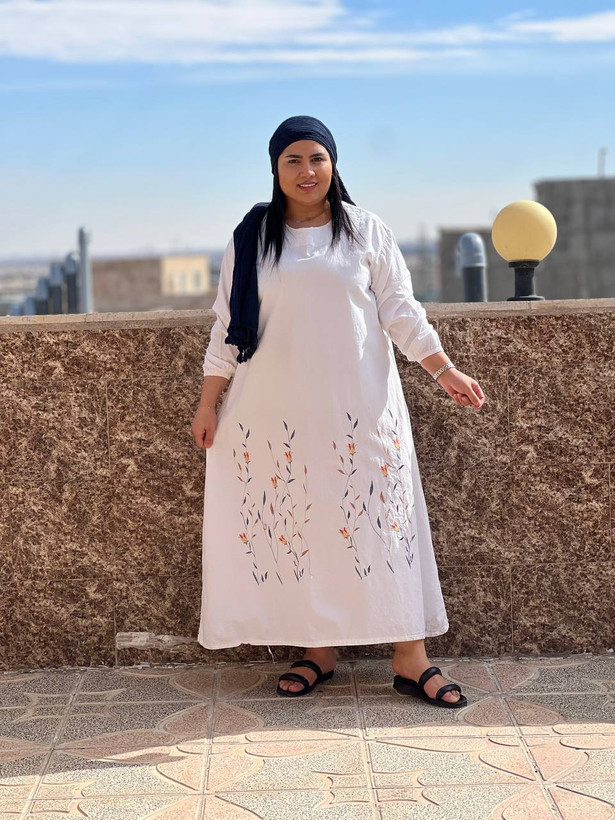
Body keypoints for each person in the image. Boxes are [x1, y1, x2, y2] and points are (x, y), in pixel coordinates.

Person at [191, 115, 485, 708]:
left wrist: (444, 369)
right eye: (293, 160)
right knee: (301, 524)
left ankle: (411, 657)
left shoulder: (364, 230)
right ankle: (318, 650)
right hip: (275, 410)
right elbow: (227, 324)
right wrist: (208, 402)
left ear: (333, 164)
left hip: (359, 408)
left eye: (317, 158)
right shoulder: (252, 238)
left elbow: (399, 309)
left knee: (384, 523)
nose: (307, 171)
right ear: (276, 169)